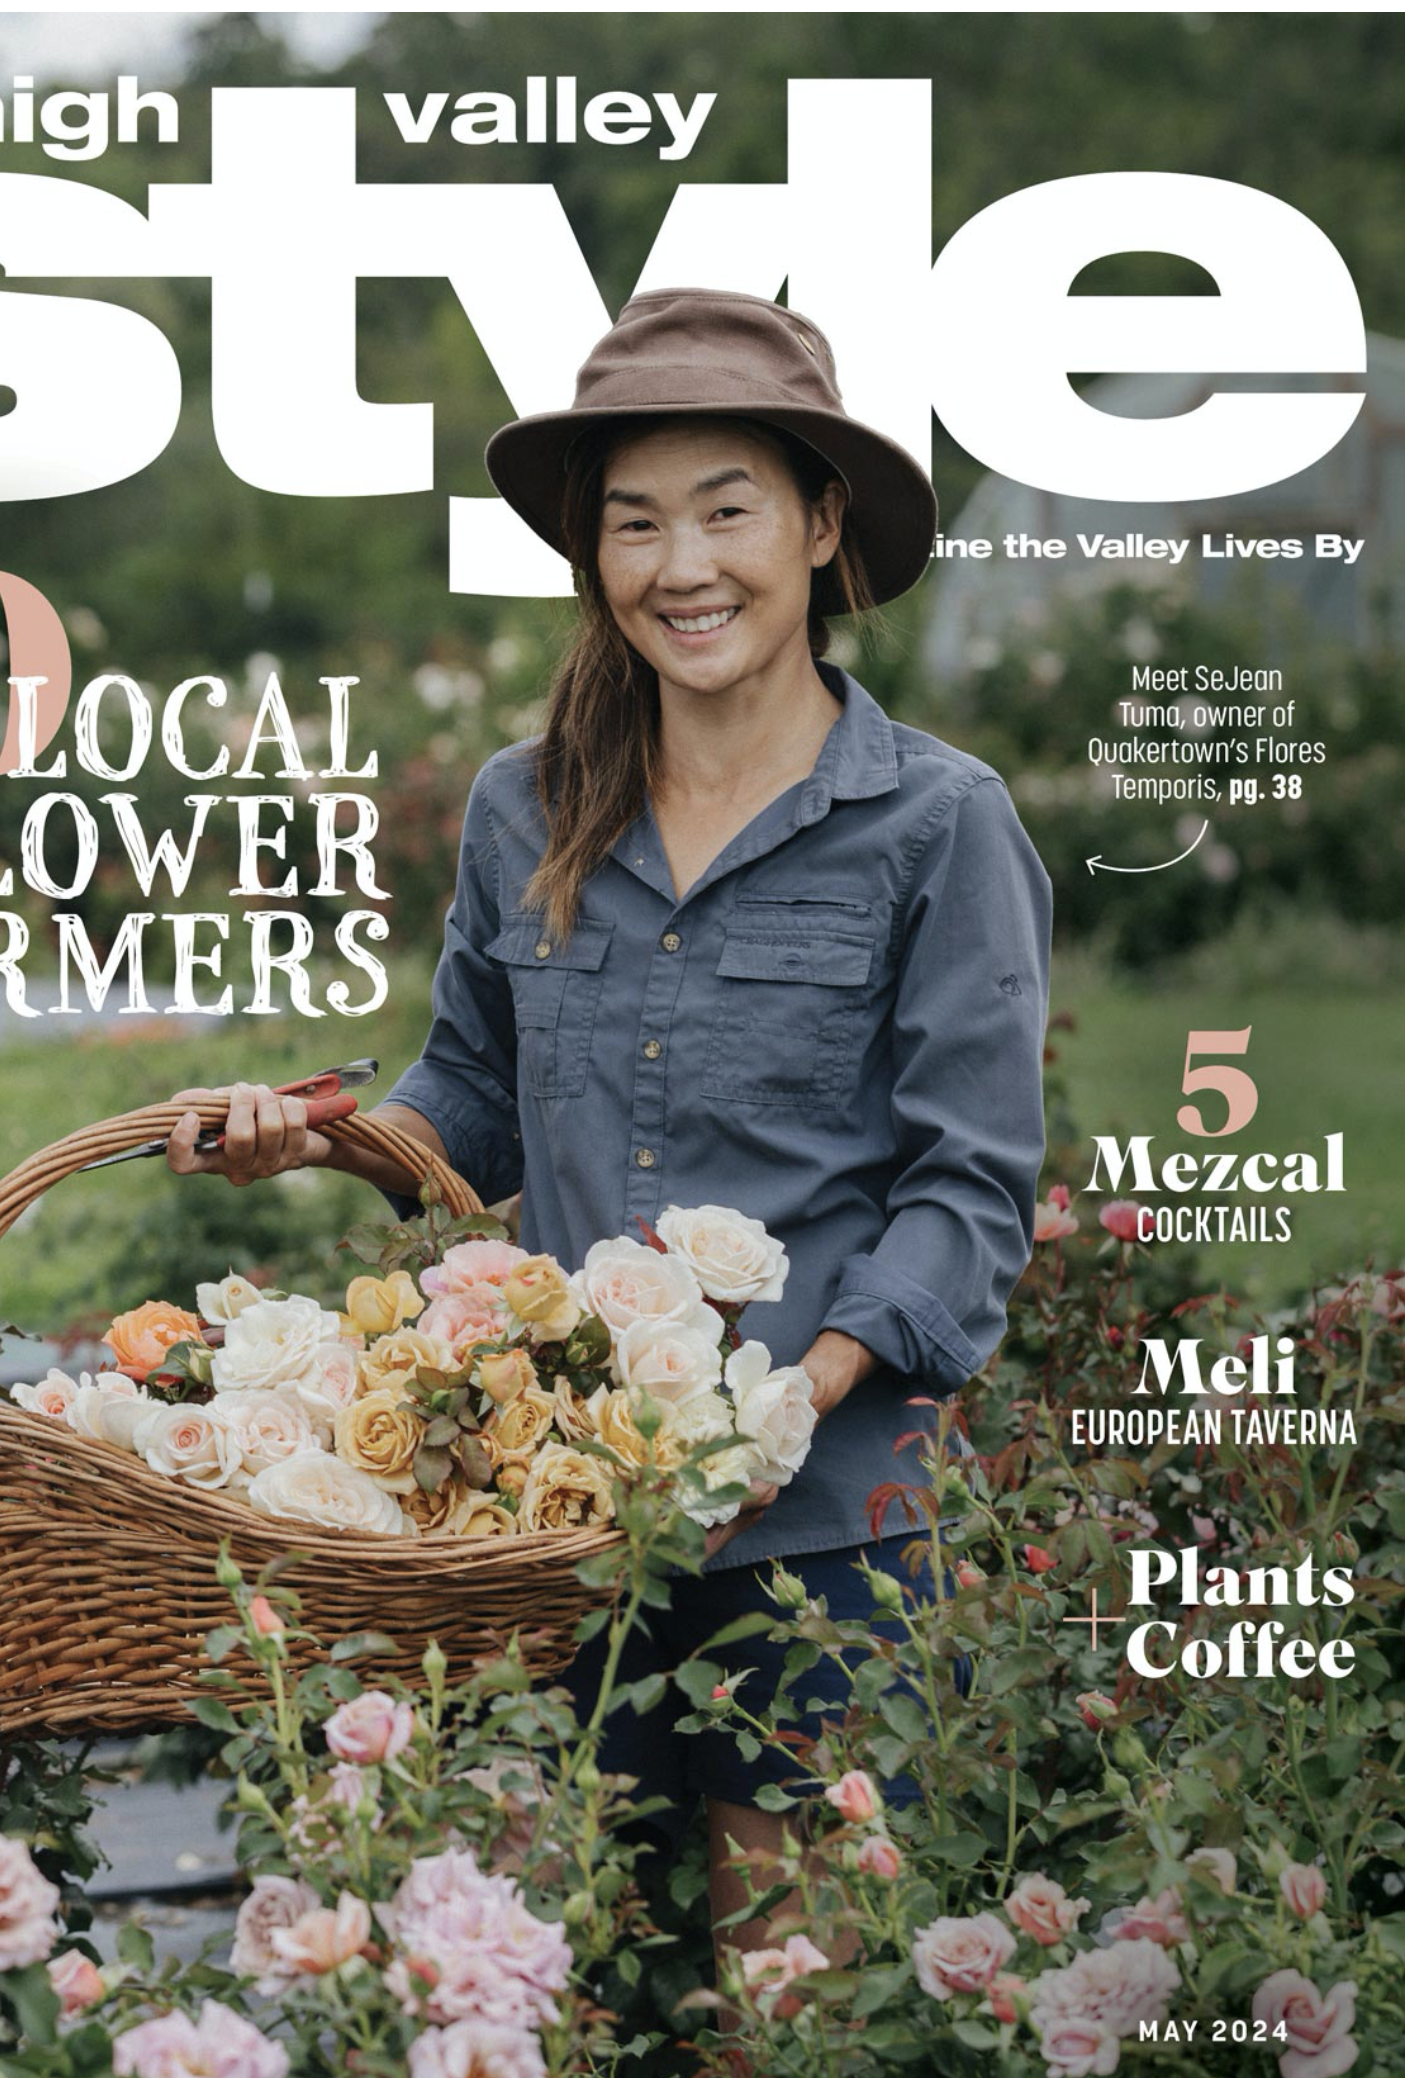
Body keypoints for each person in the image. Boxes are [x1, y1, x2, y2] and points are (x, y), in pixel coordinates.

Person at [168, 288, 1051, 1948]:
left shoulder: (938, 826)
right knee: (555, 1986)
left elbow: (969, 1188)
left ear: (817, 525)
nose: (681, 564)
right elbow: (472, 1103)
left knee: (785, 2000)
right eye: (633, 523)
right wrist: (322, 1134)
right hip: (552, 1523)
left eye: (726, 509)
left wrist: (793, 1398)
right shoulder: (528, 803)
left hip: (819, 1535)